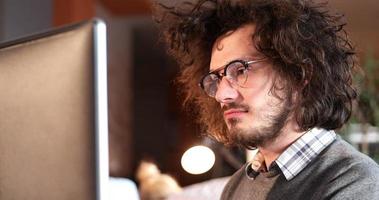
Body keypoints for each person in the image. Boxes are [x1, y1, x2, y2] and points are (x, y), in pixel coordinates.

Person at [155, 0, 379, 199]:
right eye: (215, 79)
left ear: (298, 74)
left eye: (240, 70)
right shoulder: (236, 186)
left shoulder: (356, 182)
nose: (223, 95)